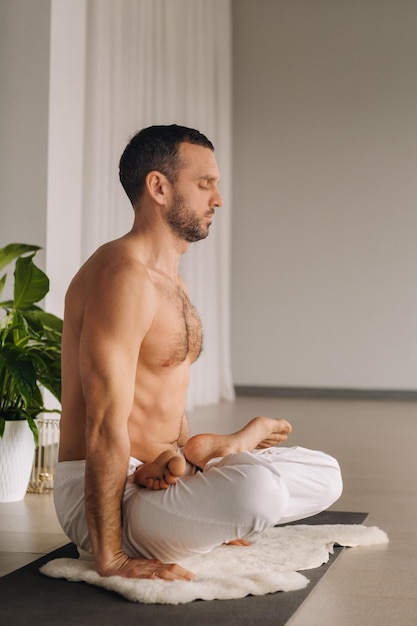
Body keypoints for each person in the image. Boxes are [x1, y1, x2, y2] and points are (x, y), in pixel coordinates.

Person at [55, 124, 342, 582]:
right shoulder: (122, 276)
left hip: (162, 475)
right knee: (258, 492)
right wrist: (110, 558)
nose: (218, 199)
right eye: (205, 184)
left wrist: (182, 466)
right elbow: (104, 423)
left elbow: (167, 396)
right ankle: (228, 460)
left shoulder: (172, 281)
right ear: (159, 187)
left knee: (326, 474)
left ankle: (214, 457)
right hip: (115, 496)